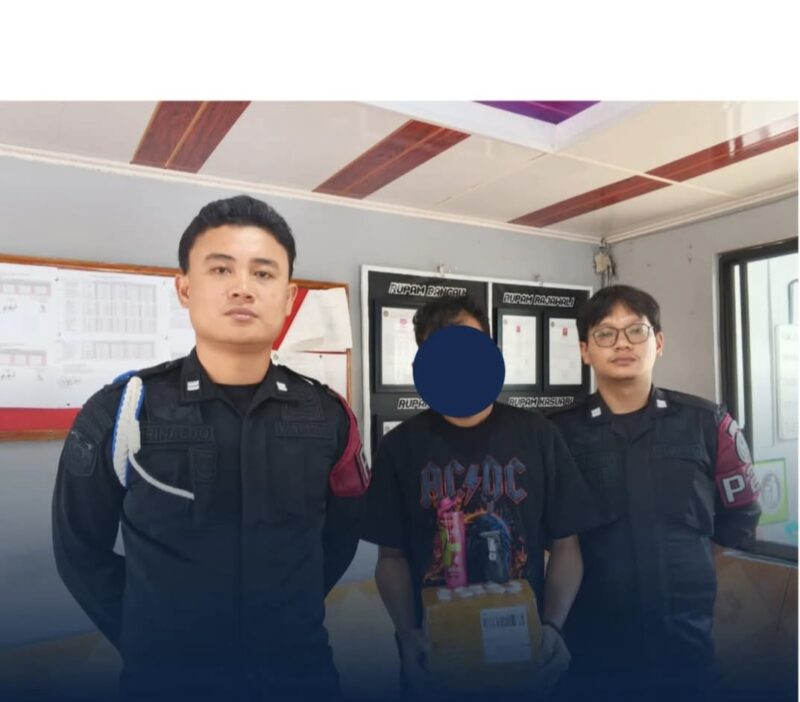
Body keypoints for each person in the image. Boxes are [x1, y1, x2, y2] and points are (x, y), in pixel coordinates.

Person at [52, 195, 368, 702]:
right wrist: (149, 638)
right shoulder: (122, 411)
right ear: (185, 288)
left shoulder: (327, 416)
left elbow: (339, 538)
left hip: (299, 675)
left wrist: (286, 618)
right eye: (221, 269)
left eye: (263, 273)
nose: (243, 287)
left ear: (289, 297)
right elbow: (79, 551)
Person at [361, 295, 597, 700]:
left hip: (526, 657)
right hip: (438, 658)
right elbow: (391, 559)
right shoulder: (399, 446)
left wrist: (554, 627)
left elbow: (566, 546)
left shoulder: (538, 435)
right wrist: (407, 635)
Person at [549, 285, 761, 702]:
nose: (622, 343)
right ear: (585, 350)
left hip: (685, 645)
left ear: (658, 343)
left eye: (636, 330)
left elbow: (740, 516)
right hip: (589, 650)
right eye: (605, 333)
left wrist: (686, 559)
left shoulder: (707, 423)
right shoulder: (557, 433)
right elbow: (549, 536)